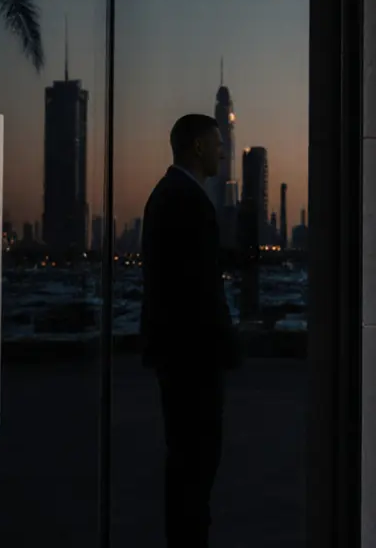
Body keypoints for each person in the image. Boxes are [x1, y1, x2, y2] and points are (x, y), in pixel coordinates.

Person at [141, 113, 242, 548]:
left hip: (177, 352)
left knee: (187, 461)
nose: (225, 151)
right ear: (198, 147)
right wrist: (226, 343)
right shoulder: (186, 199)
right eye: (218, 143)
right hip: (192, 356)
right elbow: (199, 286)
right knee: (195, 461)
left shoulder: (170, 194)